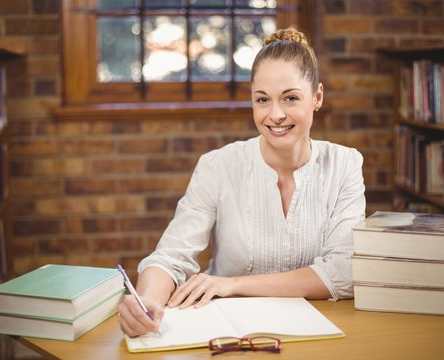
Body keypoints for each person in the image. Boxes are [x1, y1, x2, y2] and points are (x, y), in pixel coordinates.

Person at [117, 26, 366, 337]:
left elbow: (344, 273)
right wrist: (147, 301)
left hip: (314, 336)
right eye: (262, 100)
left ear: (317, 97)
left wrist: (232, 284)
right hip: (225, 335)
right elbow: (171, 257)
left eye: (290, 98)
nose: (275, 114)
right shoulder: (218, 166)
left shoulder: (345, 165)